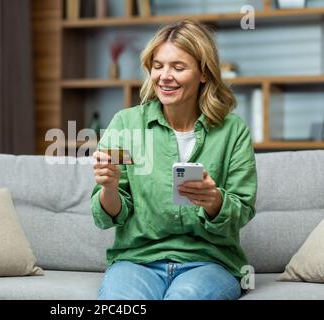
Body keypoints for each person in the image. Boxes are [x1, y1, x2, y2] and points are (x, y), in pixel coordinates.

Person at [90, 20, 257, 300]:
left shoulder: (233, 130)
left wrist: (214, 199)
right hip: (137, 260)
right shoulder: (126, 123)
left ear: (203, 73)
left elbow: (243, 210)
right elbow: (107, 217)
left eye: (178, 67)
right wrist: (108, 187)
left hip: (209, 262)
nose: (164, 76)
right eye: (158, 66)